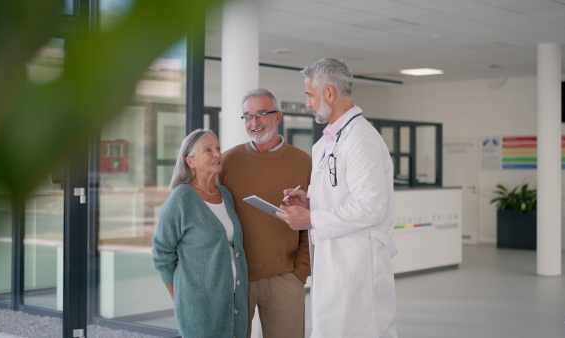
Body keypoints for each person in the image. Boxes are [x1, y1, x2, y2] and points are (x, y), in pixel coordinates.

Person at [276, 58, 399, 337]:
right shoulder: (327, 142)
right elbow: (341, 194)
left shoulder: (361, 139)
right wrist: (310, 202)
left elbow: (371, 206)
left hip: (357, 263)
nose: (307, 103)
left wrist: (311, 218)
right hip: (333, 261)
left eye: (310, 95)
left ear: (329, 93)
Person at [220, 89, 312, 338]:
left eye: (261, 114)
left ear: (278, 117)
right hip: (237, 277)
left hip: (285, 277)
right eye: (247, 116)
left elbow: (314, 217)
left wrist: (300, 271)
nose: (254, 122)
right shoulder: (228, 162)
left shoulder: (304, 162)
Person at [152, 129, 248, 338]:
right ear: (190, 161)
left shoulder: (226, 195)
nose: (217, 154)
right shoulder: (181, 199)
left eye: (218, 148)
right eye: (208, 150)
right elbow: (161, 254)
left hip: (234, 301)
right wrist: (179, 297)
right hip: (199, 306)